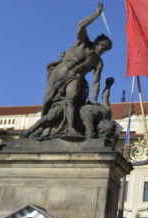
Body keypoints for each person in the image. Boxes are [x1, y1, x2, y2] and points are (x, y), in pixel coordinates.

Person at [25, 3, 112, 138]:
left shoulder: (98, 62)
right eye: (102, 46)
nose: (102, 50)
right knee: (47, 102)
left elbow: (96, 81)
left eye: (105, 50)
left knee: (72, 98)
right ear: (97, 41)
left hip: (76, 78)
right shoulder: (83, 43)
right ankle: (41, 129)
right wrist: (97, 14)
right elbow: (81, 25)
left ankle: (71, 128)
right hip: (59, 74)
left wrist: (94, 99)